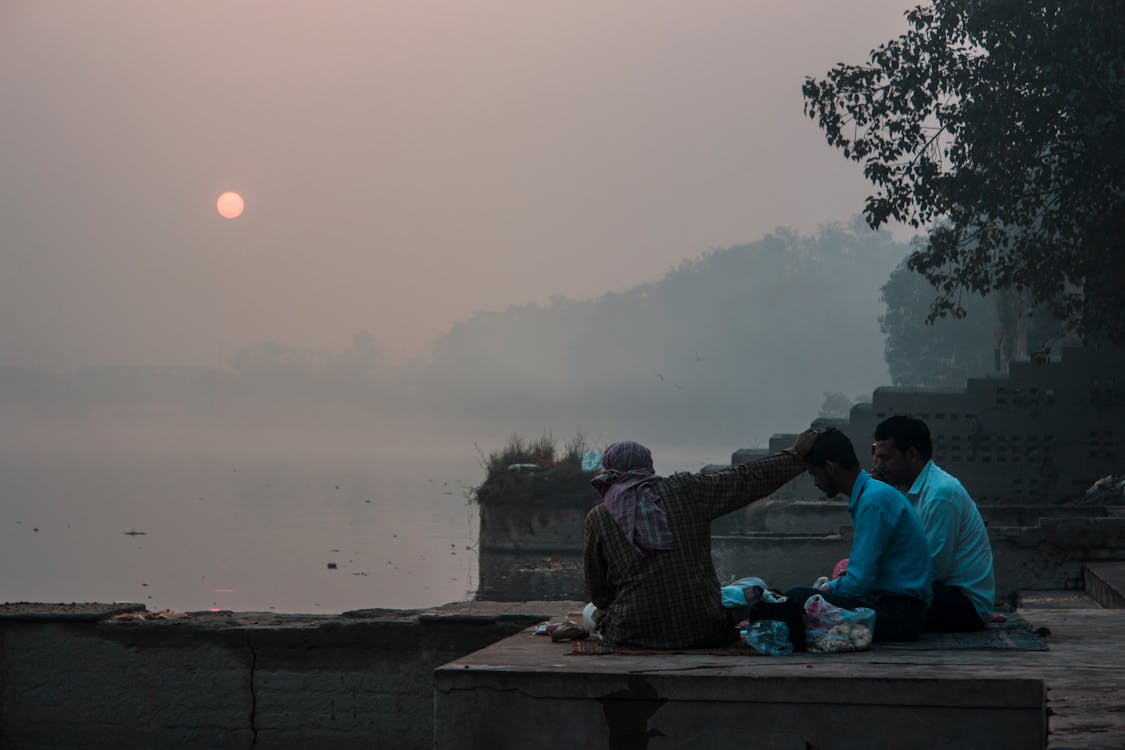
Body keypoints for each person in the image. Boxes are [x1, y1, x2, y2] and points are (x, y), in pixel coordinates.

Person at [583, 430, 819, 649]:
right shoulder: (686, 491)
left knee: (590, 611)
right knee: (750, 585)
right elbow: (745, 479)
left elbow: (600, 595)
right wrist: (795, 456)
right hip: (705, 630)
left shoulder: (598, 517)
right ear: (650, 466)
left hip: (631, 634)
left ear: (609, 471)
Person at [787, 428, 932, 642]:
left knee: (797, 597)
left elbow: (858, 583)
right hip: (902, 608)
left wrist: (828, 588)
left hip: (899, 615)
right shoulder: (874, 494)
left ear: (831, 468)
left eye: (815, 474)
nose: (816, 482)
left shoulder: (873, 502)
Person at [872, 415, 995, 632]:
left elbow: (933, 570)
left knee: (872, 602)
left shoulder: (941, 494)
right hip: (931, 590)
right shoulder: (902, 489)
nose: (880, 466)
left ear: (911, 455)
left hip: (963, 604)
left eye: (886, 458)